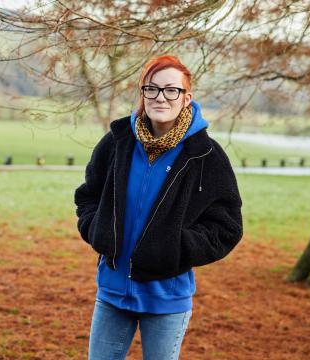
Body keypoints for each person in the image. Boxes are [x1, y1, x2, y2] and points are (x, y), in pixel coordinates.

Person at [74, 54, 243, 360]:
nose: (160, 97)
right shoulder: (117, 142)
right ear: (143, 93)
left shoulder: (204, 154)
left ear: (186, 97)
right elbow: (88, 196)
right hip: (111, 293)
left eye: (171, 90)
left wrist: (175, 248)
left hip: (167, 299)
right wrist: (96, 230)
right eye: (151, 89)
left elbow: (227, 226)